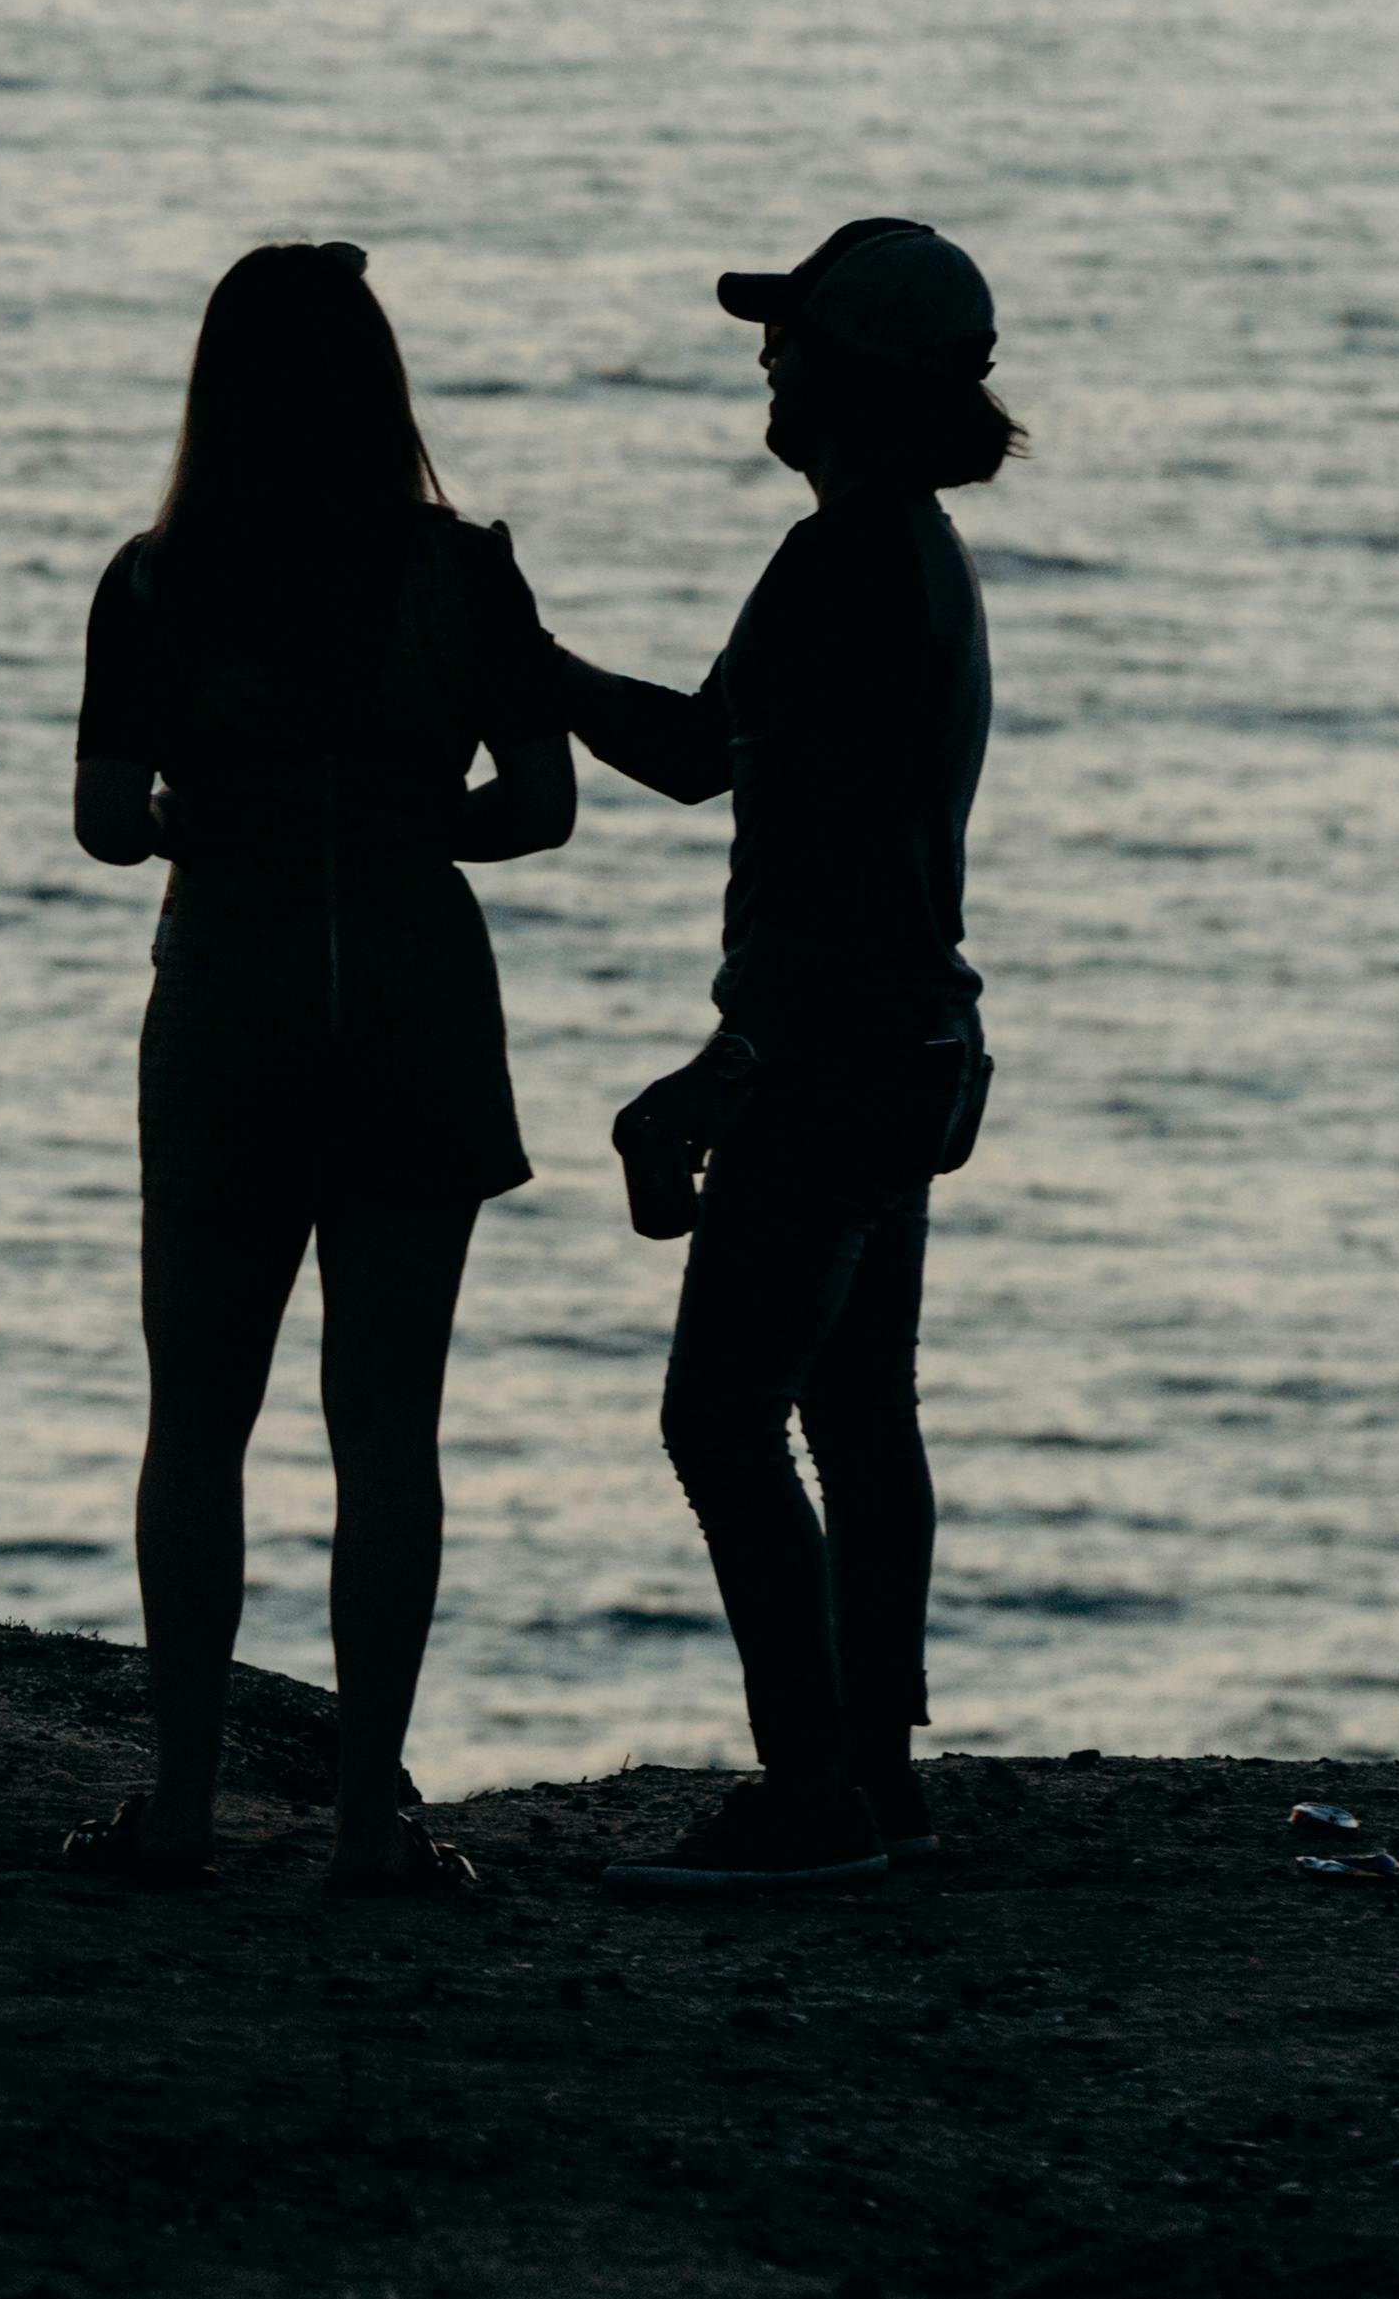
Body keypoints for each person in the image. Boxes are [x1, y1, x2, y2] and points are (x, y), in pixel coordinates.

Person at [60, 245, 573, 1899]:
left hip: (228, 1005)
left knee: (196, 1423)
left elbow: (98, 815)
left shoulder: (152, 581)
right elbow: (542, 803)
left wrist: (191, 820)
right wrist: (420, 821)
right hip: (416, 1001)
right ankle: (365, 1828)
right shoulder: (463, 570)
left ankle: (185, 1804)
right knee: (388, 1432)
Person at [545, 218, 1015, 1898]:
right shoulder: (911, 553)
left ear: (855, 377)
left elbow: (725, 798)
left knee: (721, 1419)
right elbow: (713, 765)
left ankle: (810, 1791)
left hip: (829, 1061)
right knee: (859, 1416)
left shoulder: (832, 564)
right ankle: (879, 1776)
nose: (764, 355)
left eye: (790, 336)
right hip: (915, 1053)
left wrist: (719, 1069)